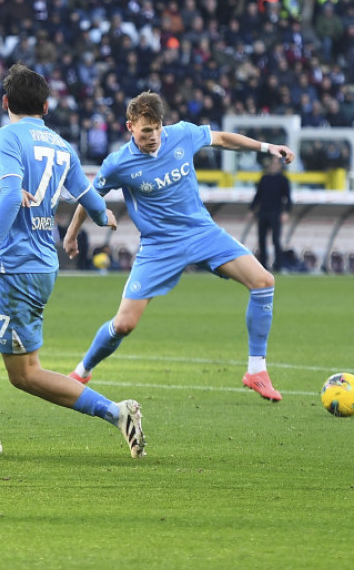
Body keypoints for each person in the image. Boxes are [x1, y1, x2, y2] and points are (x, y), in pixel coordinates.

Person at [0, 64, 143, 458]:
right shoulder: (61, 144)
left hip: (17, 267)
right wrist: (105, 218)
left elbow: (12, 196)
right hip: (23, 264)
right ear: (46, 106)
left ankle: (117, 412)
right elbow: (90, 197)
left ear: (5, 102)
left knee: (25, 374)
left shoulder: (7, 136)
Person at [62, 90, 295, 402]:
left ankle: (256, 370)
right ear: (130, 127)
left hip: (202, 232)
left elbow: (223, 139)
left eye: (158, 127)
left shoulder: (181, 134)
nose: (155, 136)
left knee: (264, 282)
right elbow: (91, 196)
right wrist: (73, 233)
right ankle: (82, 370)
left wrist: (268, 147)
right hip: (159, 247)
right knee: (124, 324)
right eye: (147, 131)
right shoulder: (118, 164)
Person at [250, 155, 292, 272]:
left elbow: (287, 198)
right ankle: (263, 264)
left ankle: (278, 265)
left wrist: (286, 212)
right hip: (263, 212)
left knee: (275, 239)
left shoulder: (283, 180)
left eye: (275, 164)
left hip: (276, 212)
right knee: (261, 239)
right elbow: (258, 195)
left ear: (279, 166)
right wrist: (252, 209)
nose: (273, 166)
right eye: (271, 164)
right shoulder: (264, 178)